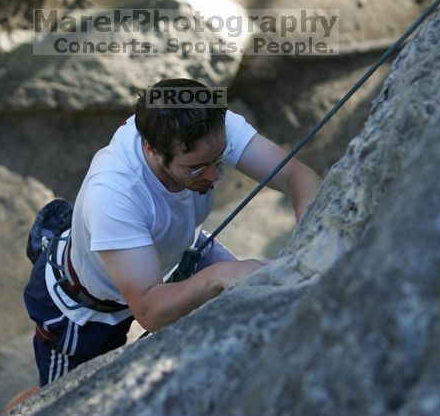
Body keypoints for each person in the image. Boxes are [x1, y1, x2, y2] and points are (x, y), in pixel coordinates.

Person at [23, 78, 321, 388]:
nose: (215, 175)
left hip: (178, 256)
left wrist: (316, 240)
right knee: (59, 399)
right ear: (151, 149)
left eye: (218, 160)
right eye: (196, 167)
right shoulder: (114, 193)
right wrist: (218, 275)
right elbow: (150, 312)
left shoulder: (205, 125)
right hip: (86, 309)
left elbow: (295, 176)